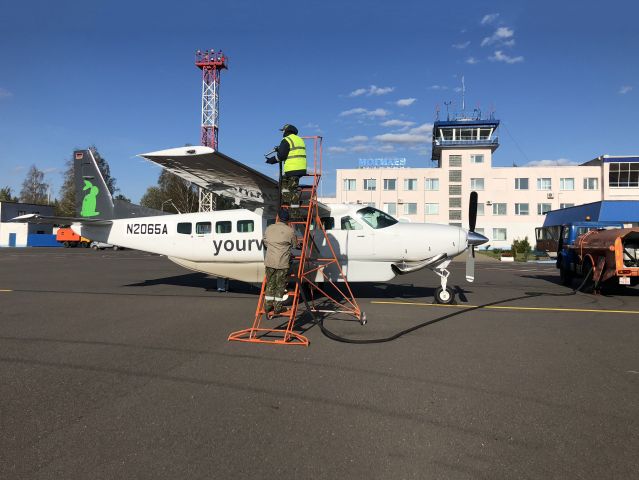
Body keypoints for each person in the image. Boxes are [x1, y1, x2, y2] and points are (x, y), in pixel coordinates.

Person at [263, 208, 297, 314]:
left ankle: (267, 306)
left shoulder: (269, 228)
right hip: (282, 263)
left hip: (270, 262)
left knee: (270, 284)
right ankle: (278, 307)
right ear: (287, 220)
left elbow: (265, 242)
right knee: (280, 285)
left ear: (278, 217)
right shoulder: (290, 231)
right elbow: (295, 245)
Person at [266, 124, 307, 208]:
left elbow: (281, 156)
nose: (282, 133)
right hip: (301, 168)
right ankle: (286, 203)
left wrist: (271, 160)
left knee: (292, 190)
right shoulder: (299, 139)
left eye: (283, 131)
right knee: (284, 183)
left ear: (286, 131)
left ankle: (294, 214)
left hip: (292, 169)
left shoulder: (286, 140)